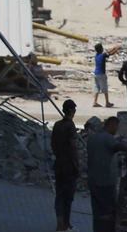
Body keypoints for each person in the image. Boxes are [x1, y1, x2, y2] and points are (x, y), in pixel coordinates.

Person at [87, 116, 127, 232]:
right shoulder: (107, 138)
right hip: (105, 182)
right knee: (108, 213)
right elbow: (119, 146)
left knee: (97, 212)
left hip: (93, 181)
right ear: (111, 125)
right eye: (116, 127)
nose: (116, 130)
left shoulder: (93, 138)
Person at [52, 99, 79, 232]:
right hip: (68, 166)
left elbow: (53, 145)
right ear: (71, 111)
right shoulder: (70, 126)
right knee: (68, 197)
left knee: (59, 195)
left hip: (59, 164)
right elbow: (73, 147)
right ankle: (65, 224)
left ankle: (60, 222)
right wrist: (76, 165)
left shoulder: (57, 125)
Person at [92, 43, 115, 108]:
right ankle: (107, 102)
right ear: (101, 49)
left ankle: (95, 102)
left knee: (97, 87)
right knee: (105, 88)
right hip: (101, 73)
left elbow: (108, 53)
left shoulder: (96, 55)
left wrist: (113, 49)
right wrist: (115, 50)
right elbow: (109, 54)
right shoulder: (102, 55)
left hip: (95, 73)